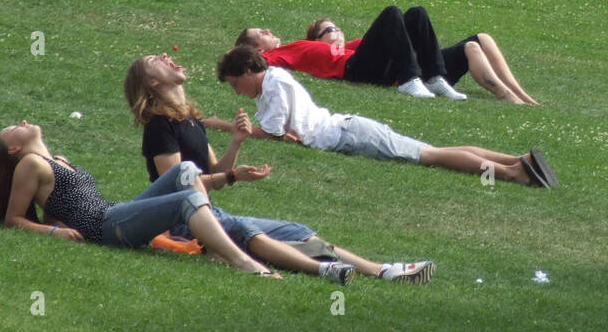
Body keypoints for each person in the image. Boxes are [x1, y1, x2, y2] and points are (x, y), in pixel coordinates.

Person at [124, 54, 435, 283]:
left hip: (208, 214)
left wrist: (236, 142)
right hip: (185, 223)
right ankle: (329, 270)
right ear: (153, 82)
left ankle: (383, 270)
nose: (167, 56)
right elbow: (177, 189)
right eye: (156, 59)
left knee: (297, 231)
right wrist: (230, 176)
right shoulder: (159, 126)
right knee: (247, 231)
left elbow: (215, 174)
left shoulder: (189, 121)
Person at [215, 45, 557, 187]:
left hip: (350, 135)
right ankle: (517, 160)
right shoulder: (274, 81)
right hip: (351, 129)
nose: (237, 92)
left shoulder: (272, 85)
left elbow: (272, 133)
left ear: (248, 70)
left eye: (235, 84)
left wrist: (223, 126)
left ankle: (513, 173)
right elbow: (284, 132)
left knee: (433, 156)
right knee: (434, 150)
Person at [0, 120, 275, 274]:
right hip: (103, 226)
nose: (23, 122)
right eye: (14, 128)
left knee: (185, 169)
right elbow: (12, 219)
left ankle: (214, 249)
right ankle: (244, 263)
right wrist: (52, 233)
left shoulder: (58, 160)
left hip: (112, 214)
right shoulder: (30, 164)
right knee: (185, 200)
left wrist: (57, 225)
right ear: (13, 150)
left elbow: (57, 207)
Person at [236, 6, 540, 104]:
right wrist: (243, 53)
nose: (267, 29)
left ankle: (433, 77)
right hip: (354, 71)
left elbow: (373, 42)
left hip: (364, 60)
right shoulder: (282, 54)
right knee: (392, 12)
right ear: (258, 48)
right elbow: (247, 64)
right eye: (260, 32)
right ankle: (412, 80)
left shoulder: (322, 47)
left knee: (416, 14)